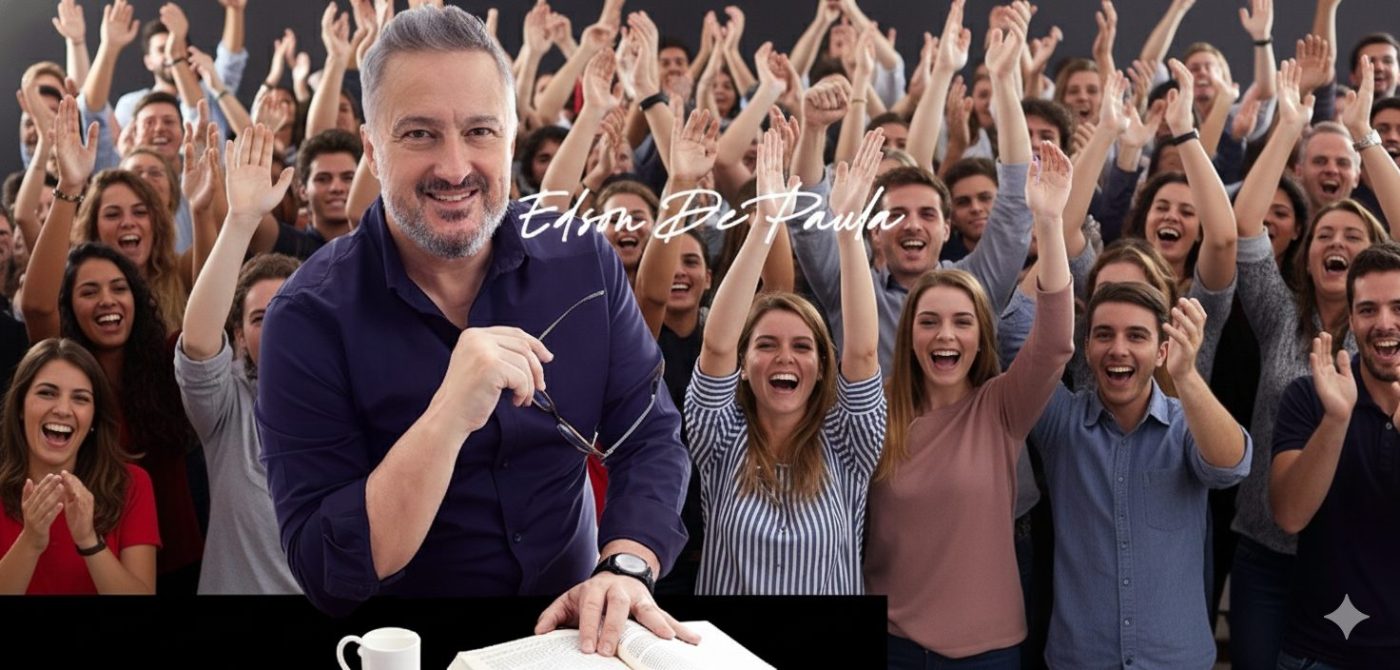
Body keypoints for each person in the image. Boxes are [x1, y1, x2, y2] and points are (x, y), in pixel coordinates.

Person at [256, 6, 696, 657]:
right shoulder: (305, 319)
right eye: (420, 134)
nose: (457, 166)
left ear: (511, 140)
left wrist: (627, 564)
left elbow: (649, 434)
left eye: (480, 130)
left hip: (570, 639)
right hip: (407, 648)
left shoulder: (585, 263)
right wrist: (445, 418)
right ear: (373, 152)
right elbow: (328, 570)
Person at [867, 140, 1075, 669]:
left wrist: (1048, 223)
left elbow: (1053, 343)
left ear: (982, 337)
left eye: (962, 322)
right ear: (908, 332)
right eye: (929, 320)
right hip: (892, 645)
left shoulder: (1001, 407)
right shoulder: (872, 409)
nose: (946, 336)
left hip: (989, 649)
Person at [1227, 62, 1391, 669]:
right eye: (1325, 235)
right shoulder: (1279, 312)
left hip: (1352, 554)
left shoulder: (1384, 331)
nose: (1337, 244)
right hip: (1266, 552)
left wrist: (1364, 137)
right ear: (1305, 249)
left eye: (1353, 235)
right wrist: (1289, 126)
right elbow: (1246, 226)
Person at [685, 127, 884, 596]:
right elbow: (715, 348)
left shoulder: (847, 442)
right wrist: (764, 224)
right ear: (746, 359)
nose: (784, 358)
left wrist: (849, 229)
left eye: (801, 346)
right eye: (766, 344)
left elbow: (862, 351)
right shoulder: (720, 435)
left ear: (821, 365)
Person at [1029, 282, 1251, 668]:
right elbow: (1010, 316)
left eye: (1136, 335)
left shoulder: (1187, 425)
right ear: (1085, 348)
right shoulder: (1060, 422)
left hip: (1176, 660)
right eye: (1104, 334)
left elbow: (1231, 466)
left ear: (1162, 350)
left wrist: (1186, 375)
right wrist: (1048, 227)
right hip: (1081, 659)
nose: (1118, 349)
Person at [175, 124, 301, 595]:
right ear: (239, 337)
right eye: (261, 318)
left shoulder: (350, 401)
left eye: (291, 312)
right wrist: (240, 220)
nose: (278, 327)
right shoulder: (227, 407)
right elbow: (198, 338)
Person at [1270, 243, 1400, 668]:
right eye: (1368, 309)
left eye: (1398, 307)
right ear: (1350, 317)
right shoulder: (1308, 397)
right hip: (1322, 650)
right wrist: (1336, 420)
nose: (1384, 324)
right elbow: (1289, 514)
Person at [0, 338, 158, 595]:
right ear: (19, 406)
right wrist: (30, 542)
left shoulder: (132, 484)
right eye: (47, 393)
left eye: (80, 398)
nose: (63, 409)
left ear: (94, 417)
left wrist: (89, 540)